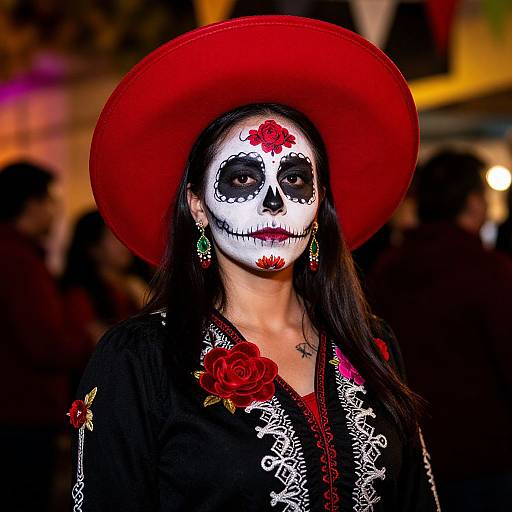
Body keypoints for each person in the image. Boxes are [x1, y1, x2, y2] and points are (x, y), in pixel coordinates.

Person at [68, 16, 440, 511]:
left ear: (319, 203)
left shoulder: (370, 342)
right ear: (197, 204)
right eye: (242, 179)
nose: (273, 204)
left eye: (295, 180)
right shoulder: (142, 359)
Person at [368, 149, 512, 511]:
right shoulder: (489, 271)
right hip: (485, 459)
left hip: (408, 456)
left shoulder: (383, 272)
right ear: (474, 203)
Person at [0, 161, 93, 512]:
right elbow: (45, 345)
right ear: (31, 203)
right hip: (21, 414)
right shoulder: (18, 261)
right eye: (51, 200)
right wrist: (90, 338)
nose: (56, 211)